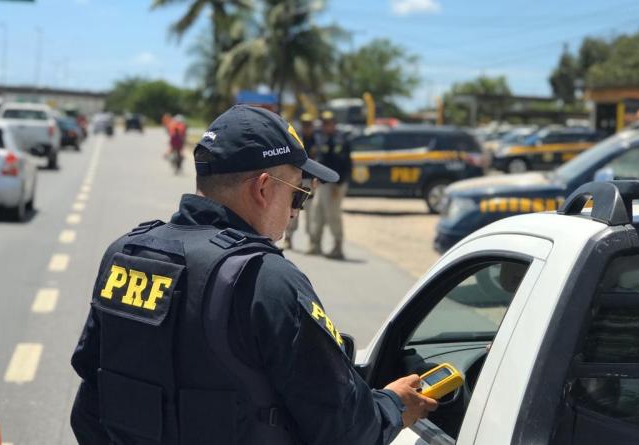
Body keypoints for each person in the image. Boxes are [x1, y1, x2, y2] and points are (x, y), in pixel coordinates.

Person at [70, 104, 437, 445]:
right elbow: (345, 430)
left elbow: (89, 410)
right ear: (262, 188)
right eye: (299, 194)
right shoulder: (265, 279)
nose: (296, 212)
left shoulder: (125, 253)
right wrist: (394, 405)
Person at [308, 111, 351, 259]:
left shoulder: (341, 139)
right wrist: (315, 176)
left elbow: (344, 164)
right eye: (324, 123)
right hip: (322, 183)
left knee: (332, 214)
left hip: (334, 184)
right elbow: (320, 160)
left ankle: (338, 247)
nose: (326, 125)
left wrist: (337, 185)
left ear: (334, 124)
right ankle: (315, 245)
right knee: (317, 213)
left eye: (329, 123)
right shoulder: (321, 138)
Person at [283, 113, 318, 251]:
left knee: (311, 213)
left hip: (311, 181)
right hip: (298, 180)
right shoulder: (297, 140)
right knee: (293, 208)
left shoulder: (317, 141)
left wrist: (317, 178)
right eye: (304, 124)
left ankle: (312, 241)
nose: (306, 127)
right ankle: (288, 238)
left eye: (309, 125)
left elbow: (320, 161)